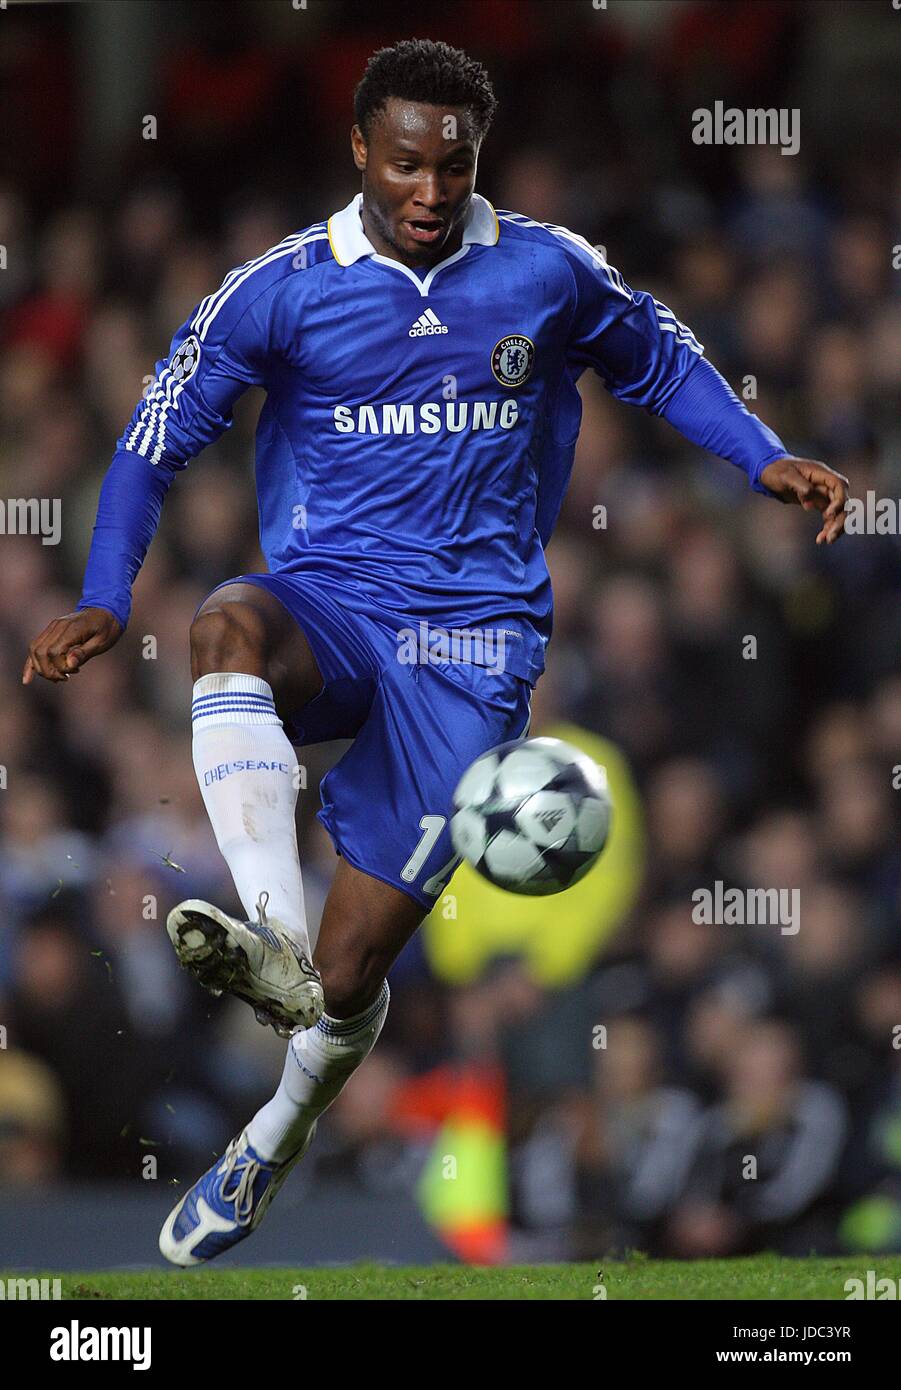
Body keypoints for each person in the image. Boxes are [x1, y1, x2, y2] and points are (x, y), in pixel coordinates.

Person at [22, 39, 849, 1265]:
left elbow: (660, 357)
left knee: (356, 974)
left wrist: (759, 453)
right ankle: (270, 932)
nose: (427, 188)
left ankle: (277, 1125)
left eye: (451, 167)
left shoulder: (543, 273)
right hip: (332, 597)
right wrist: (103, 590)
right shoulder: (284, 289)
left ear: (476, 160)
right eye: (405, 162)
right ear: (360, 148)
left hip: (472, 647)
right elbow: (150, 439)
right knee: (222, 632)